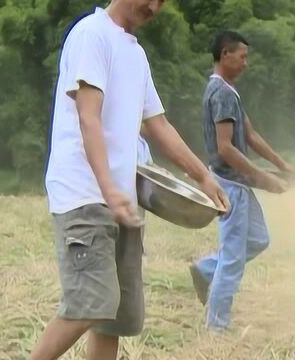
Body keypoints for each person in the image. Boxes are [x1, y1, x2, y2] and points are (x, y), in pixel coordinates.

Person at [33, 1, 229, 359]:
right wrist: (108, 188)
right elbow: (88, 118)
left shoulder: (135, 54)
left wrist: (203, 176)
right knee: (92, 304)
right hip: (85, 195)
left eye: (162, 1)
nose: (154, 7)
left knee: (115, 319)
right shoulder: (91, 35)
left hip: (123, 202)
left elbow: (158, 125)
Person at [189, 31, 295, 332]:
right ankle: (217, 329)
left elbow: (249, 135)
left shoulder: (229, 91)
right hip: (231, 185)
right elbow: (225, 147)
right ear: (225, 54)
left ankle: (207, 269)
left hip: (238, 183)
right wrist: (263, 179)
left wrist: (281, 164)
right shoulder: (220, 92)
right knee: (234, 259)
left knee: (260, 239)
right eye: (242, 56)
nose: (246, 63)